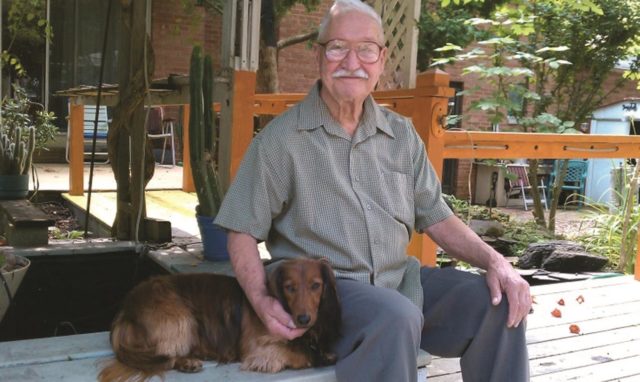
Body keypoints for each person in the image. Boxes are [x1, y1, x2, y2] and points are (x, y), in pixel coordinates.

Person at [214, 0, 532, 381]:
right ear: (319, 56)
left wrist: (498, 264)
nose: (352, 61)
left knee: (496, 303)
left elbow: (438, 218)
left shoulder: (401, 135)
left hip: (401, 282)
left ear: (381, 59)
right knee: (395, 317)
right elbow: (241, 231)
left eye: (366, 49)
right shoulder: (280, 141)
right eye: (337, 47)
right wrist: (262, 301)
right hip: (327, 295)